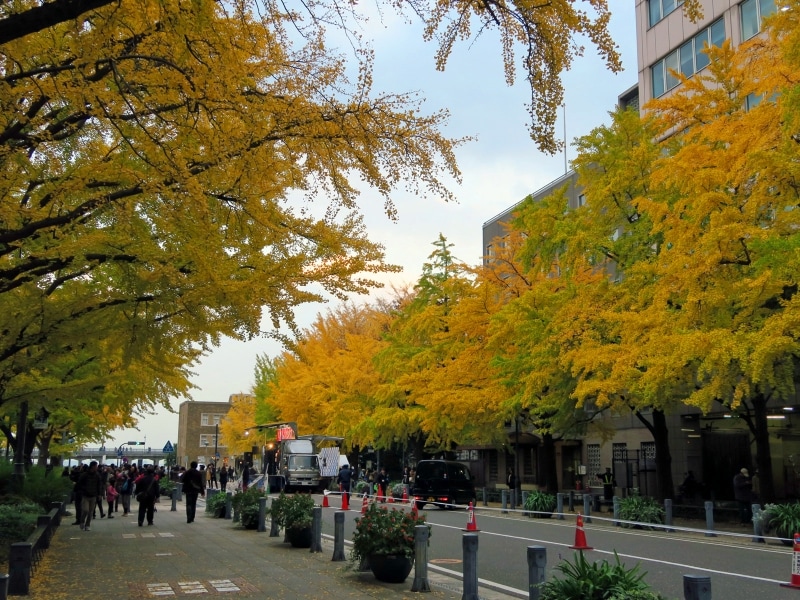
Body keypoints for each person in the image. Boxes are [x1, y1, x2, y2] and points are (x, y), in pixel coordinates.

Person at [77, 461, 104, 531]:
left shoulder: (97, 475)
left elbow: (99, 485)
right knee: (85, 510)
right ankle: (82, 521)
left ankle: (87, 525)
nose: (97, 467)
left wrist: (100, 494)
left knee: (91, 512)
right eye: (96, 466)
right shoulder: (85, 475)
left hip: (93, 495)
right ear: (92, 466)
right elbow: (79, 483)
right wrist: (83, 490)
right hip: (85, 495)